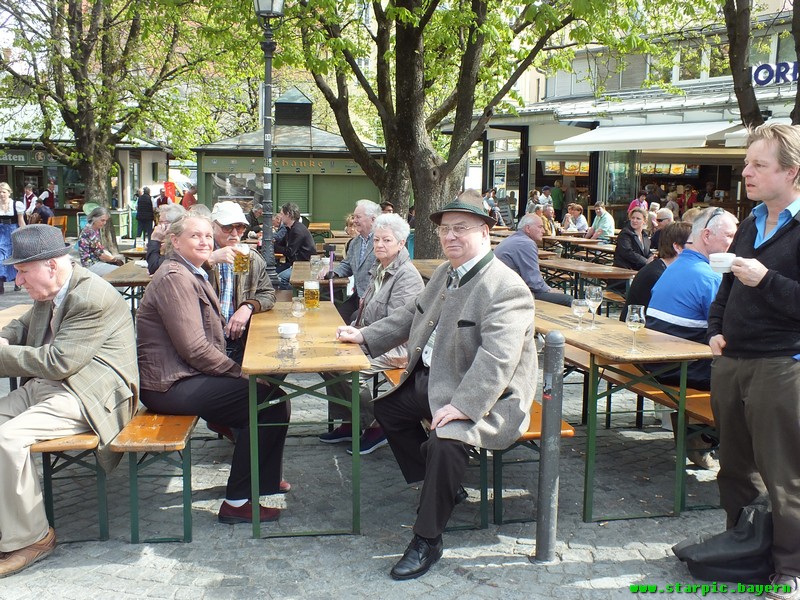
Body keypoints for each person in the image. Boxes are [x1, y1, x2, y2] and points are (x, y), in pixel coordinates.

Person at [336, 189, 537, 580]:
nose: (451, 237)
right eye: (446, 229)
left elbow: (498, 360)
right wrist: (366, 336)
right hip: (439, 378)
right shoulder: (447, 272)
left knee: (445, 439)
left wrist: (463, 406)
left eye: (462, 228)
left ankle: (428, 538)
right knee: (388, 410)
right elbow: (414, 313)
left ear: (486, 233)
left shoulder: (505, 287)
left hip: (492, 398)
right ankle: (439, 486)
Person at [0, 224, 138, 578]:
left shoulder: (90, 296)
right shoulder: (53, 290)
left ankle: (33, 538)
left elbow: (59, 362)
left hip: (91, 393)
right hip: (54, 386)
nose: (18, 282)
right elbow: (20, 328)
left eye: (22, 271)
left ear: (51, 265)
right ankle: (9, 517)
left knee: (9, 439)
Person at [136, 215, 289, 525]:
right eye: (196, 236)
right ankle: (237, 503)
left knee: (272, 398)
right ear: (175, 242)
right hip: (170, 385)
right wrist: (237, 372)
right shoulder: (175, 278)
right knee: (268, 402)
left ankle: (261, 483)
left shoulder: (192, 272)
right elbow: (194, 349)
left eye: (208, 235)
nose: (205, 241)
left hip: (184, 377)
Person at [708, 123, 800, 598]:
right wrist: (715, 329)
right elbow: (725, 286)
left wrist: (765, 280)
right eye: (747, 163)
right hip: (733, 360)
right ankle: (739, 545)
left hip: (783, 364)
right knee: (733, 465)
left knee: (783, 472)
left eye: (758, 165)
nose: (746, 172)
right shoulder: (750, 222)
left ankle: (789, 569)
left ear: (792, 172)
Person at [319, 214, 424, 454]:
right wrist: (350, 327)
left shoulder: (406, 276)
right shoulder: (381, 268)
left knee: (345, 369)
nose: (379, 245)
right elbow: (367, 309)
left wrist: (361, 334)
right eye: (376, 239)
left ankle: (377, 425)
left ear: (401, 243)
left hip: (397, 348)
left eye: (386, 240)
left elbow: (398, 326)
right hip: (372, 339)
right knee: (326, 362)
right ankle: (350, 422)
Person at [206, 201, 276, 364]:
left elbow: (268, 293)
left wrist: (248, 306)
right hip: (206, 341)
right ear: (212, 226)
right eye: (227, 227)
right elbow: (174, 277)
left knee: (278, 365)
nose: (235, 233)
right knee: (254, 384)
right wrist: (211, 259)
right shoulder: (200, 254)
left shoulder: (250, 257)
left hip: (240, 340)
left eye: (240, 227)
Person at [495, 213, 571, 306]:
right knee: (568, 299)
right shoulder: (526, 243)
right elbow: (534, 283)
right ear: (527, 229)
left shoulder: (513, 238)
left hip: (500, 290)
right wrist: (549, 290)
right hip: (510, 296)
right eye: (540, 227)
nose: (543, 231)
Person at [321, 199, 379, 321]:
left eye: (358, 217)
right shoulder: (355, 242)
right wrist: (333, 271)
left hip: (375, 299)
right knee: (338, 318)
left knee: (353, 319)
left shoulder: (381, 242)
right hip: (358, 296)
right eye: (354, 217)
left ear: (373, 219)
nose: (354, 221)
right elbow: (347, 264)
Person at [621, 221, 691, 321]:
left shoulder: (662, 268)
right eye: (692, 243)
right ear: (678, 247)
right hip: (638, 331)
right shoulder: (657, 275)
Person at [274, 202, 316, 291]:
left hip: (303, 265)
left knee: (281, 279)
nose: (280, 217)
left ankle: (291, 298)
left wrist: (273, 246)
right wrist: (272, 244)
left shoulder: (297, 230)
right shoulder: (290, 228)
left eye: (282, 214)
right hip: (294, 263)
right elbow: (281, 244)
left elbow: (289, 251)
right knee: (272, 275)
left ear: (288, 215)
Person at [78, 207, 123, 276]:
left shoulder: (94, 229)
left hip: (95, 262)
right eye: (102, 220)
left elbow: (99, 250)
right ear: (94, 219)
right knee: (119, 272)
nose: (104, 223)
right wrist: (115, 260)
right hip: (90, 265)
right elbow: (101, 255)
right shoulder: (90, 231)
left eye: (105, 221)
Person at [146, 203, 187, 274]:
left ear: (173, 223)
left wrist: (155, 240)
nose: (158, 226)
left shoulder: (177, 243)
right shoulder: (174, 240)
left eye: (161, 222)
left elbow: (154, 268)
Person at [0, 182, 26, 294]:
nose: (2, 194)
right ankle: (0, 284)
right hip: (1, 233)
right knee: (1, 259)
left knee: (15, 257)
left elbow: (21, 222)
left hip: (13, 231)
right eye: (0, 192)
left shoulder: (16, 204)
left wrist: (25, 234)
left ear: (9, 193)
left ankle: (17, 282)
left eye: (4, 192)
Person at [612, 207, 651, 272]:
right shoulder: (625, 233)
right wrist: (646, 261)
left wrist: (651, 257)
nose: (634, 220)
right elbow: (627, 252)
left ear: (644, 221)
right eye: (633, 218)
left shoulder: (645, 235)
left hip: (639, 270)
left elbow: (647, 251)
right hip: (624, 270)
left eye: (638, 218)